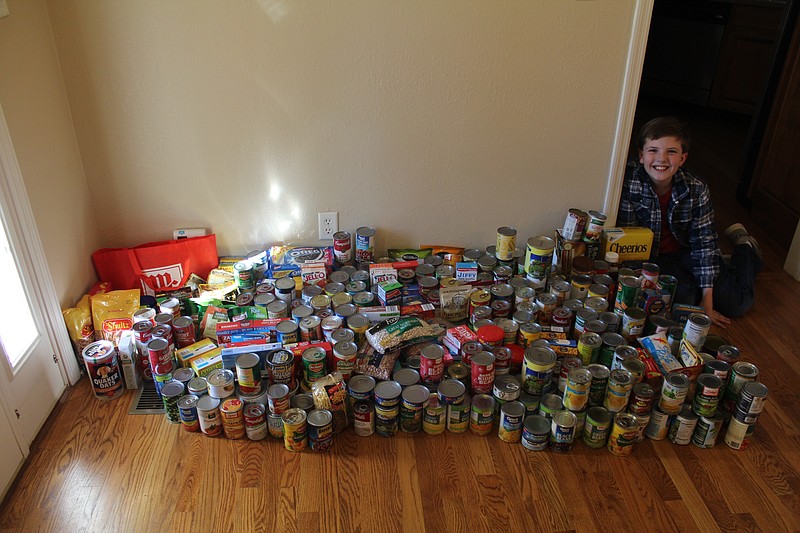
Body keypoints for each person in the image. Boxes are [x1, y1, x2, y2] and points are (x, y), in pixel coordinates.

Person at [616, 117, 761, 328]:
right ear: (641, 155)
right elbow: (628, 242)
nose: (661, 158)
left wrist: (708, 301)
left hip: (690, 253)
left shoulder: (696, 189)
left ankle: (745, 248)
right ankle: (720, 269)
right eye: (653, 150)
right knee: (683, 303)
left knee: (737, 304)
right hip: (655, 259)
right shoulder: (628, 183)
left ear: (683, 158)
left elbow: (704, 244)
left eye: (671, 152)